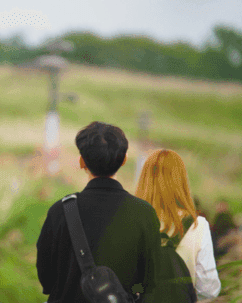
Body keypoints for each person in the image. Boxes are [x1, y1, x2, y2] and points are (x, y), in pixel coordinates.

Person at [36, 121, 162, 302]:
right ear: (124, 159)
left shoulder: (60, 211)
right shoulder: (144, 214)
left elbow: (46, 280)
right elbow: (150, 282)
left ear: (82, 162)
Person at [135, 149, 221, 301]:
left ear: (144, 180)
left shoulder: (133, 221)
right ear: (181, 180)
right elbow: (209, 289)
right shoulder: (197, 226)